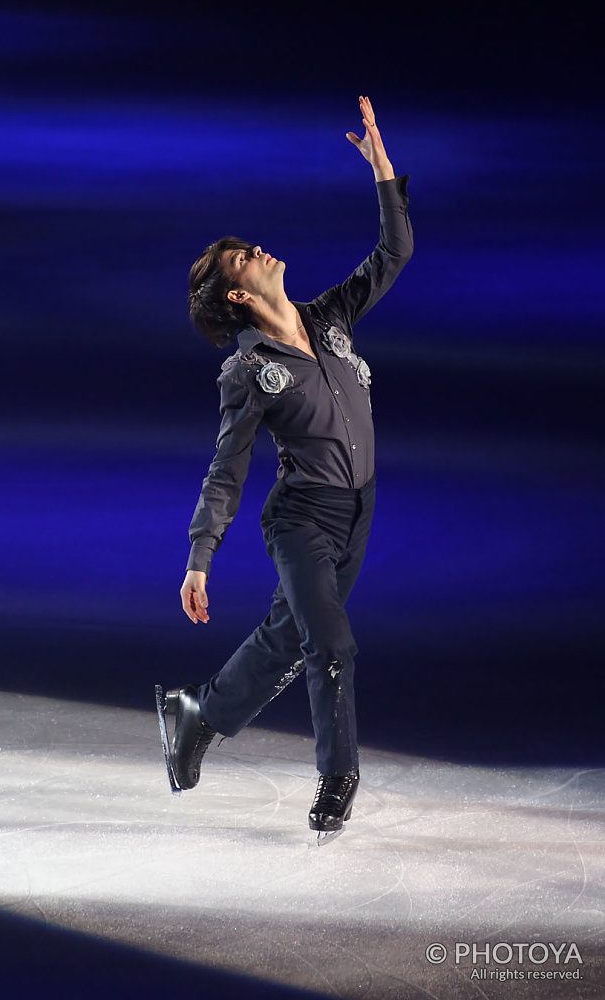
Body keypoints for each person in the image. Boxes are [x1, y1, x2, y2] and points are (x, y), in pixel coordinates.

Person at [164, 95, 413, 834]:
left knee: (286, 639)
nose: (261, 250)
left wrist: (382, 175)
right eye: (247, 257)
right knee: (328, 645)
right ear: (240, 294)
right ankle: (337, 777)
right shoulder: (247, 371)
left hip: (358, 512)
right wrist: (199, 556)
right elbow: (226, 467)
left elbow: (391, 256)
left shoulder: (329, 316)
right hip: (301, 521)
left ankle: (197, 713)